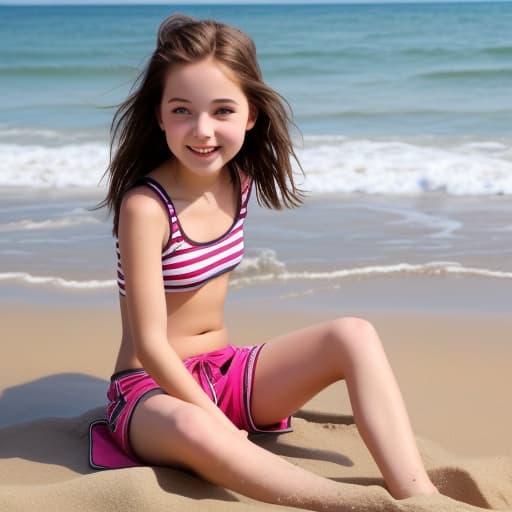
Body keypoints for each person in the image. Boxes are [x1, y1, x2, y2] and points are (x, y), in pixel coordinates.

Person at [100, 14, 438, 511]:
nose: (202, 130)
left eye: (222, 110)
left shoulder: (239, 181)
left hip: (226, 373)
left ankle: (419, 494)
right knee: (195, 424)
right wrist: (216, 423)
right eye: (182, 111)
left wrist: (222, 408)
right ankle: (361, 506)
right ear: (158, 115)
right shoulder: (145, 208)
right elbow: (150, 345)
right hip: (151, 391)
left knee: (353, 333)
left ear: (251, 114)